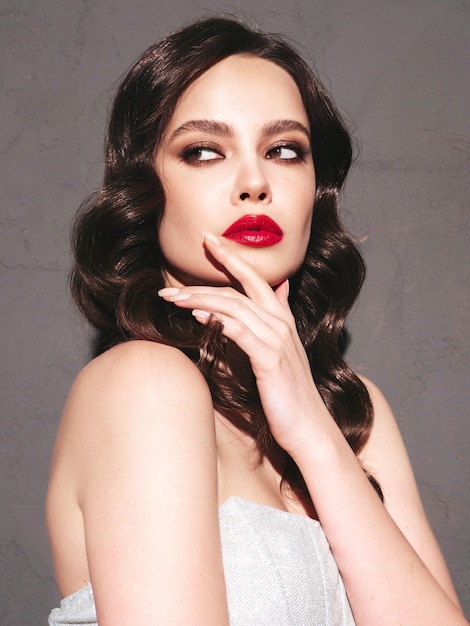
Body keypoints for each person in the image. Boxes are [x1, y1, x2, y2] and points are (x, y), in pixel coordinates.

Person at [46, 16, 467, 626]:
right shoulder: (143, 384)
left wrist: (314, 434)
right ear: (145, 188)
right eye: (204, 151)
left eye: (284, 150)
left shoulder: (354, 410)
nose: (254, 183)